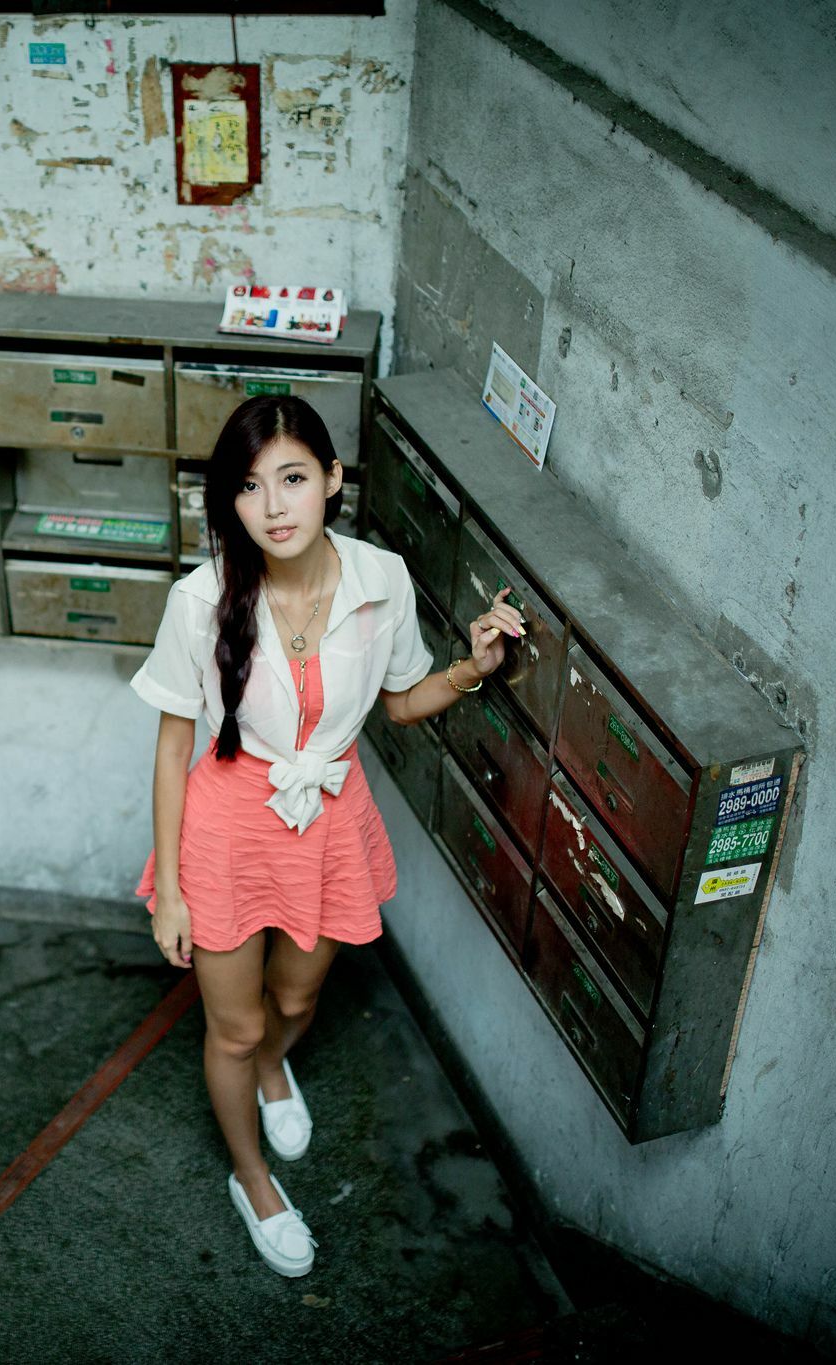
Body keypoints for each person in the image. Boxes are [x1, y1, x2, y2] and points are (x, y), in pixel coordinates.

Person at [129, 393, 524, 1278]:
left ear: (333, 478)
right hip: (227, 828)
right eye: (249, 486)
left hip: (328, 819)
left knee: (297, 999)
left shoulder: (381, 579)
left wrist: (472, 668)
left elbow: (402, 702)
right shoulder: (200, 600)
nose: (273, 506)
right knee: (234, 1028)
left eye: (293, 479)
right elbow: (173, 748)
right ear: (230, 501)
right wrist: (173, 895)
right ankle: (252, 1177)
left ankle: (275, 1066)